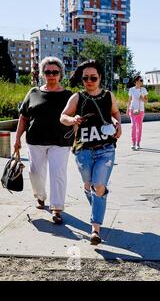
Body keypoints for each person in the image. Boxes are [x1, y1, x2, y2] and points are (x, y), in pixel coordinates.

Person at [60, 60, 122, 245]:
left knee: (99, 185)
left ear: (100, 77)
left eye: (93, 77)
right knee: (89, 185)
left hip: (106, 149)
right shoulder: (77, 97)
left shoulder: (108, 96)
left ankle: (95, 229)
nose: (89, 81)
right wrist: (72, 119)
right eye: (85, 78)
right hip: (83, 150)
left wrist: (118, 124)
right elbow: (62, 116)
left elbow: (116, 113)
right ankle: (96, 200)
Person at [14, 57, 74, 224]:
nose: (51, 75)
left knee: (58, 174)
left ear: (60, 74)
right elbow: (23, 117)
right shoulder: (33, 92)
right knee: (35, 173)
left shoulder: (68, 95)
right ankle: (40, 196)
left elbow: (75, 118)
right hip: (35, 140)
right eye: (47, 72)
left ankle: (57, 208)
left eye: (55, 72)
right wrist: (17, 138)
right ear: (42, 74)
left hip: (60, 141)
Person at [126, 75, 148, 150]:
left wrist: (142, 98)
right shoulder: (131, 89)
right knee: (133, 126)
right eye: (140, 80)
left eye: (142, 80)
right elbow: (129, 100)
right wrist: (127, 109)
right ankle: (133, 142)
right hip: (132, 110)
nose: (142, 82)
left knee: (139, 127)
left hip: (140, 110)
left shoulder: (143, 89)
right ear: (136, 81)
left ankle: (138, 143)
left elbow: (146, 101)